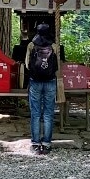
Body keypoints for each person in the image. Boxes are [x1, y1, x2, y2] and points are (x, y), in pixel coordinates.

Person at [26, 23, 58, 155]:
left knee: (35, 112)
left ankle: (35, 143)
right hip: (50, 81)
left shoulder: (31, 45)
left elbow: (28, 64)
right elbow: (57, 65)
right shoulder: (54, 46)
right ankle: (46, 144)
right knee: (49, 112)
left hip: (35, 81)